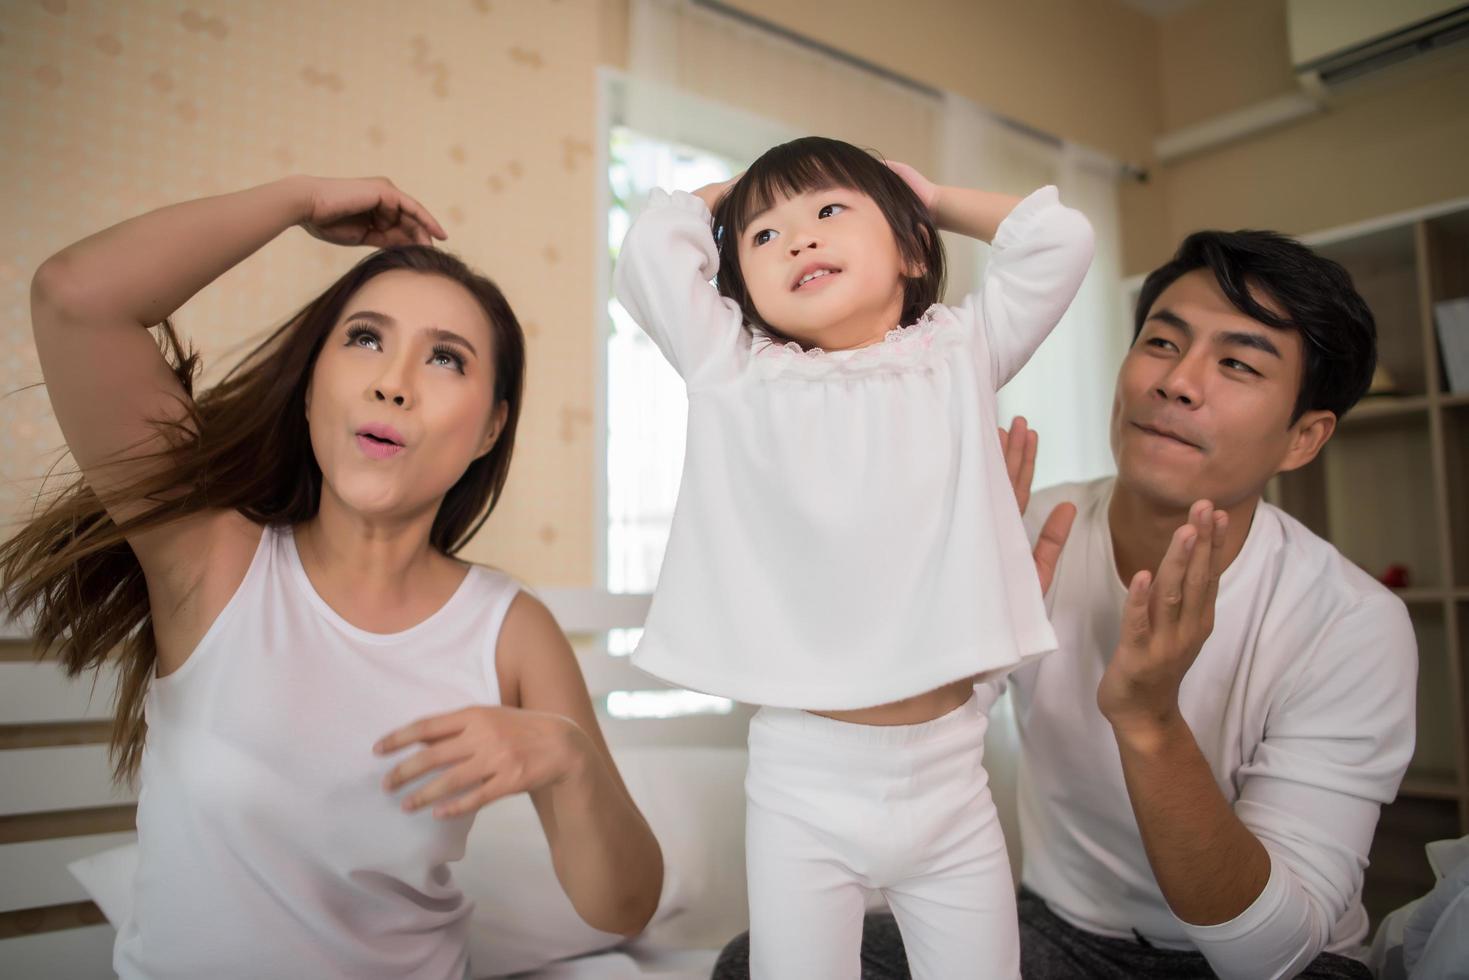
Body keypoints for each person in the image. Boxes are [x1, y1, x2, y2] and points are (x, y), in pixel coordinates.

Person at [3, 175, 663, 979]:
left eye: (445, 359)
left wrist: (570, 760)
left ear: (490, 426)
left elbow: (622, 907)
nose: (395, 381)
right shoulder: (208, 560)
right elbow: (74, 298)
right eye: (364, 339)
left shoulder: (509, 628)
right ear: (312, 386)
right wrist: (296, 203)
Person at [714, 229, 1417, 980]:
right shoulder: (1018, 529)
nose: (1176, 382)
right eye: (1160, 342)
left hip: (1273, 965)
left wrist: (1149, 724)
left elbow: (1269, 953)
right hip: (1058, 933)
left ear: (1303, 437)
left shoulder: (1350, 623)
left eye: (1237, 363)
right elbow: (909, 748)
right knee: (752, 963)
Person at [614, 136, 1094, 979]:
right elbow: (652, 255)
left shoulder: (957, 355)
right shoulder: (735, 372)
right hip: (804, 782)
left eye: (829, 210)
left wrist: (930, 196)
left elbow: (1060, 243)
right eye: (762, 236)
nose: (796, 239)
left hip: (949, 780)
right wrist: (730, 193)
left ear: (910, 249)